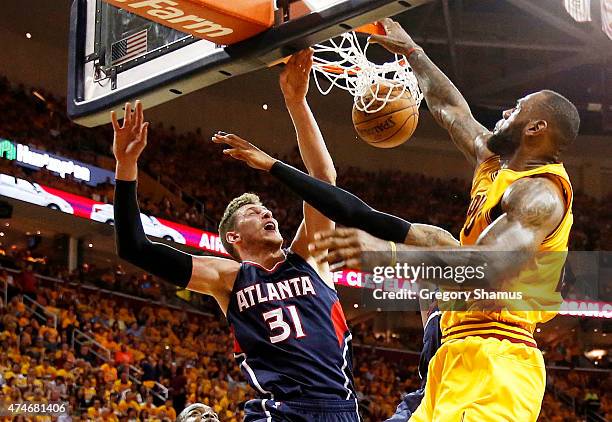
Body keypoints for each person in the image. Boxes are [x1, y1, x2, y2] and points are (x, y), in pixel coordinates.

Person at [307, 18, 577, 422]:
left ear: (536, 128)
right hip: (452, 355)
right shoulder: (495, 164)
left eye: (517, 109)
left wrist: (385, 254)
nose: (505, 111)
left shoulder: (540, 193)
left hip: (497, 362)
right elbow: (452, 110)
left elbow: (485, 270)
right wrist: (412, 52)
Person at [113, 50, 359, 421]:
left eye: (265, 209)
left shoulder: (310, 258)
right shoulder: (228, 278)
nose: (265, 211)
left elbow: (324, 181)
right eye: (251, 212)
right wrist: (126, 168)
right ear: (234, 237)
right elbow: (135, 247)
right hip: (280, 411)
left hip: (340, 409)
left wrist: (296, 101)